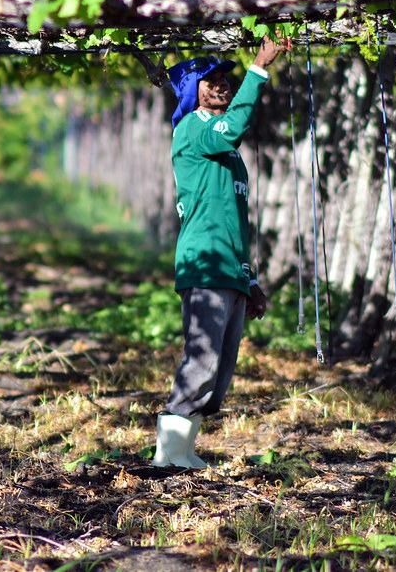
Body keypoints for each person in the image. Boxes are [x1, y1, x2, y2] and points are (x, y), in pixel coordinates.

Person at [153, 37, 287, 469]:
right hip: (205, 266)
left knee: (221, 368)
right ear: (192, 90)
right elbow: (233, 126)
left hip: (227, 270)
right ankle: (168, 455)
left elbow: (236, 226)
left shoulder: (230, 160)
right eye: (211, 82)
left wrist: (249, 279)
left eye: (226, 80)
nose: (222, 86)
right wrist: (259, 70)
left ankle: (182, 448)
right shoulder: (193, 130)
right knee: (203, 357)